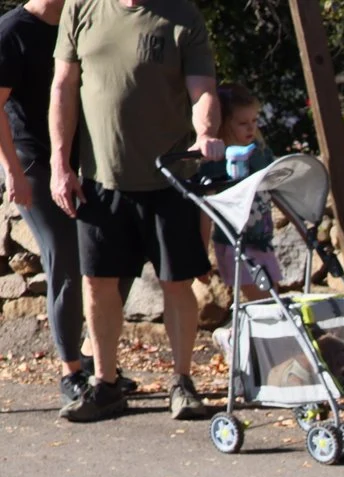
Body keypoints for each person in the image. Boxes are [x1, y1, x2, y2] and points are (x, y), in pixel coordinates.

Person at [47, 0, 219, 424]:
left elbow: (204, 90)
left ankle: (182, 382)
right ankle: (105, 385)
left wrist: (206, 132)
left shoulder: (182, 15)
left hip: (170, 176)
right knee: (98, 284)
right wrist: (59, 163)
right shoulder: (81, 9)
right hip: (100, 181)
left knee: (177, 283)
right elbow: (64, 87)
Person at [0, 0, 102, 415]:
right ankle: (70, 371)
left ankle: (99, 365)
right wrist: (13, 173)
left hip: (82, 164)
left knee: (104, 259)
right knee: (64, 258)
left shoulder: (77, 23)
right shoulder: (12, 31)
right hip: (31, 162)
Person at [202, 81, 273, 298]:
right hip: (236, 244)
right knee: (262, 302)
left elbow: (277, 190)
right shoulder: (216, 164)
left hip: (262, 240)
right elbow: (206, 209)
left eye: (254, 121)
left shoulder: (260, 154)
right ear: (224, 124)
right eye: (243, 123)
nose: (251, 128)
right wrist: (202, 253)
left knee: (272, 300)